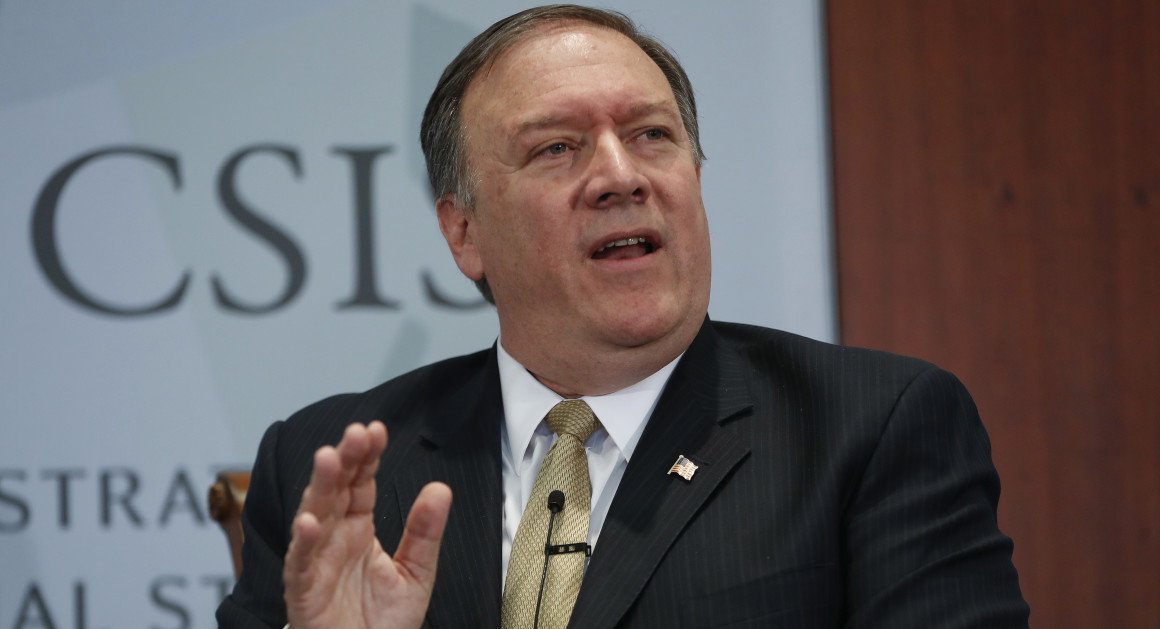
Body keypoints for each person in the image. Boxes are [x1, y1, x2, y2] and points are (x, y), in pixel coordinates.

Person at [217, 5, 1029, 627]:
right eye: (556, 147)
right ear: (464, 232)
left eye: (651, 135)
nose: (620, 175)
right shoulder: (333, 469)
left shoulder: (867, 429)